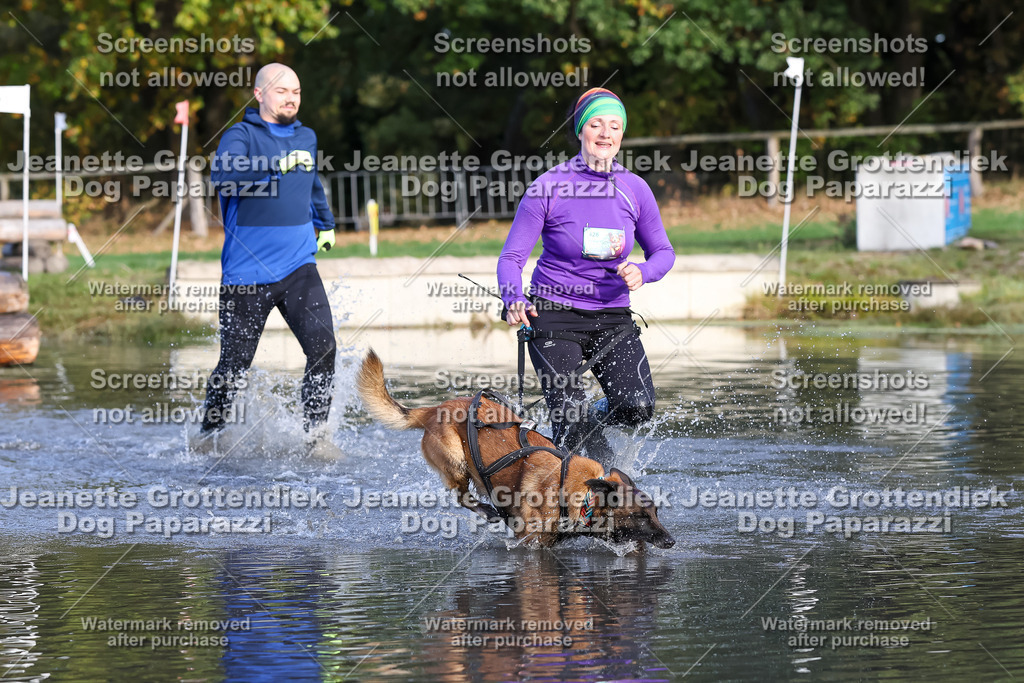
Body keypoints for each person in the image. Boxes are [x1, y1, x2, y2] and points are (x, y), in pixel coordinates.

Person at [497, 87, 676, 460]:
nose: (605, 133)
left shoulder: (635, 189)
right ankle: (585, 485)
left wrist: (643, 272)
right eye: (595, 124)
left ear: (622, 134)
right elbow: (512, 257)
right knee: (579, 436)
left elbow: (664, 252)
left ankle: (587, 422)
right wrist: (513, 297)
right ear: (581, 130)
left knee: (637, 407)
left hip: (613, 318)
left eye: (614, 125)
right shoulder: (547, 187)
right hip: (553, 315)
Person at [198, 63, 338, 446]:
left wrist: (324, 223)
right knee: (234, 366)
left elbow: (310, 182)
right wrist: (275, 165)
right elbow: (223, 177)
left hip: (298, 265)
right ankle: (208, 435)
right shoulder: (240, 135)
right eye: (282, 91)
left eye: (296, 91)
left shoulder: (306, 135)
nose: (291, 98)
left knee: (324, 349)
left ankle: (316, 438)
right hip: (247, 274)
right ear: (259, 94)